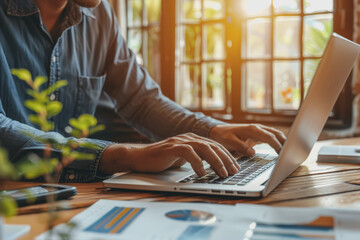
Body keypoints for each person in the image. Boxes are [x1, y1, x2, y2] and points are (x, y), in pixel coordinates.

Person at [0, 0, 286, 183]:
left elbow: (141, 101)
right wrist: (125, 155)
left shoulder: (100, 17)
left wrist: (211, 130)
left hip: (68, 194)